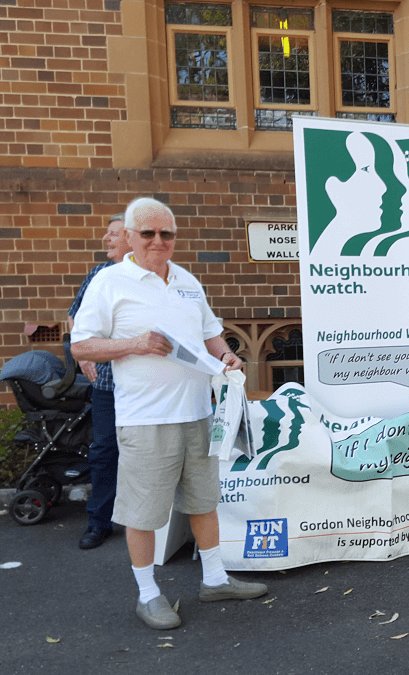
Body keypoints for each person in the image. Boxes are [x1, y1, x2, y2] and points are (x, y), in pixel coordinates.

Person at [71, 197, 267, 630]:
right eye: (148, 233)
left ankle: (214, 579)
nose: (158, 241)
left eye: (167, 233)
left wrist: (228, 357)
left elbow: (211, 333)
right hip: (145, 419)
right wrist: (134, 344)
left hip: (198, 413)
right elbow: (81, 346)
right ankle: (148, 594)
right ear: (129, 236)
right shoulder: (110, 282)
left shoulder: (186, 280)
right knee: (143, 512)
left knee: (203, 502)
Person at [68, 213, 128, 550]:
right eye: (107, 233)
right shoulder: (99, 274)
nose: (106, 239)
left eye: (113, 234)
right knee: (105, 451)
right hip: (107, 383)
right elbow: (75, 315)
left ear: (131, 238)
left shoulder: (154, 276)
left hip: (148, 385)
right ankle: (99, 522)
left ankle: (160, 527)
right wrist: (84, 353)